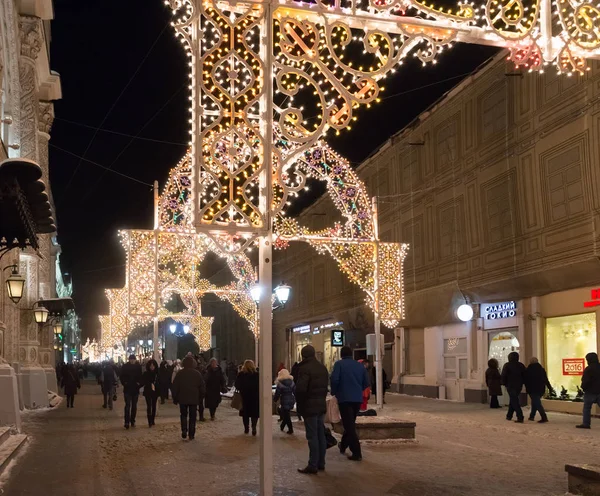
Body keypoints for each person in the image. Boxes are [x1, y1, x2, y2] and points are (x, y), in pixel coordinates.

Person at [331, 346, 371, 461]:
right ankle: (343, 445)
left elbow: (335, 379)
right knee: (350, 423)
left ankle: (356, 452)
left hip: (344, 398)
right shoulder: (360, 366)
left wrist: (335, 391)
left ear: (342, 355)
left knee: (349, 425)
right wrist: (357, 389)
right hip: (357, 399)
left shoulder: (339, 364)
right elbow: (366, 382)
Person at [295, 345, 329, 475]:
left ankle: (312, 464)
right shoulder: (322, 367)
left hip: (309, 406)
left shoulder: (304, 368)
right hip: (320, 405)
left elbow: (301, 389)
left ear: (303, 355)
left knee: (312, 436)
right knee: (320, 434)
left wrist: (300, 403)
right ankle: (321, 462)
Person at [172, 355, 205, 440]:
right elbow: (202, 386)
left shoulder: (180, 373)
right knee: (192, 416)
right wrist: (201, 397)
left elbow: (175, 386)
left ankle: (184, 430)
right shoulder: (197, 374)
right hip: (194, 398)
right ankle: (191, 433)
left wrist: (175, 397)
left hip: (182, 398)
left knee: (183, 415)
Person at [235, 360, 260, 435]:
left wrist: (242, 389)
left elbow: (237, 385)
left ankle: (246, 427)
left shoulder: (241, 374)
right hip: (255, 397)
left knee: (245, 413)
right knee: (254, 413)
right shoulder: (257, 375)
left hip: (244, 397)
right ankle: (254, 427)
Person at [501, 351, 526, 423]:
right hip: (519, 385)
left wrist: (503, 383)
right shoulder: (521, 365)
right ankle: (509, 415)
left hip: (510, 385)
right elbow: (524, 375)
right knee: (513, 399)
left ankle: (520, 416)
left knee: (514, 400)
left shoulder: (507, 365)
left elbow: (503, 375)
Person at [577, 352, 600, 429]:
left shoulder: (588, 369)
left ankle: (586, 423)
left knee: (587, 408)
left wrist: (583, 387)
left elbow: (585, 380)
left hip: (590, 391)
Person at [525, 357, 551, 423]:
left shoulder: (528, 370)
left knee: (537, 403)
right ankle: (531, 416)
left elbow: (525, 380)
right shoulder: (541, 369)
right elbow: (546, 379)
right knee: (535, 402)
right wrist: (550, 388)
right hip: (541, 389)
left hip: (532, 389)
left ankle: (544, 417)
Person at [120, 354, 143, 429]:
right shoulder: (125, 366)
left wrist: (138, 384)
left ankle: (132, 420)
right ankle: (127, 421)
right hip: (127, 389)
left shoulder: (138, 367)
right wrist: (125, 383)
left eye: (133, 359)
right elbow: (121, 376)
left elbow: (140, 376)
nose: (132, 361)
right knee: (127, 406)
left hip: (135, 389)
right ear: (129, 360)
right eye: (131, 359)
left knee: (134, 406)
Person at [274, 368, 296, 434]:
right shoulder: (292, 382)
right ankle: (282, 426)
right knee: (286, 413)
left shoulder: (280, 383)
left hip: (284, 399)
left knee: (286, 414)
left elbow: (277, 393)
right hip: (291, 399)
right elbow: (295, 391)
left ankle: (290, 429)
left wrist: (275, 399)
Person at [142, 359, 160, 427]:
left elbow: (160, 381)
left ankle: (153, 419)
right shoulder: (146, 373)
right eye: (151, 366)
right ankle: (149, 420)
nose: (152, 367)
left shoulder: (157, 373)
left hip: (155, 391)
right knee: (149, 406)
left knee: (154, 405)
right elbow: (143, 381)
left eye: (153, 366)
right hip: (148, 391)